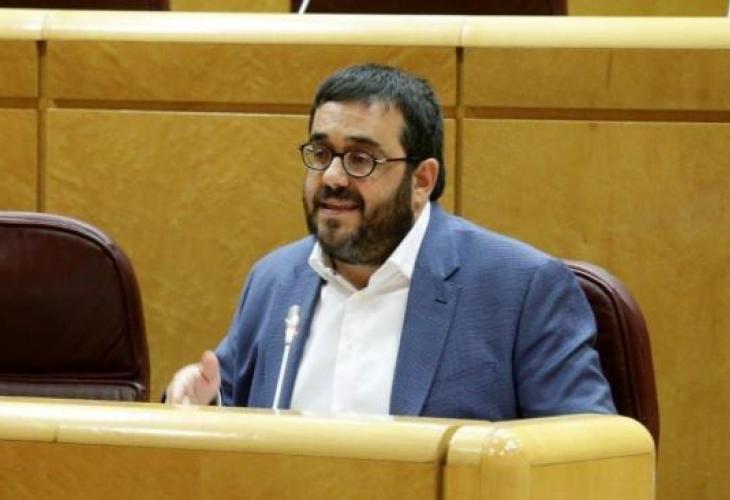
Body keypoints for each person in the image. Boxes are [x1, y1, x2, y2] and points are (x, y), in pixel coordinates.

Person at [165, 64, 616, 420]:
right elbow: (229, 406)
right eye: (321, 154)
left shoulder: (520, 290)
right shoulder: (275, 280)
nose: (333, 177)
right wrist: (203, 401)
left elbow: (586, 459)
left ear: (422, 181)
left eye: (361, 159)